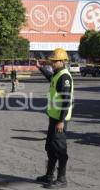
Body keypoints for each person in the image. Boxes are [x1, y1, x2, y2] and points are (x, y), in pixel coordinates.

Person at [35, 48, 74, 189]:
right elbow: (50, 78)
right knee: (50, 148)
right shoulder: (57, 74)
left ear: (62, 61)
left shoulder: (64, 77)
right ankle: (49, 176)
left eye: (54, 61)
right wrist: (40, 68)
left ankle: (62, 179)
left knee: (60, 149)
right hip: (53, 118)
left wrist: (61, 121)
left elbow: (66, 101)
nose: (52, 63)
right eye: (51, 61)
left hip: (59, 120)